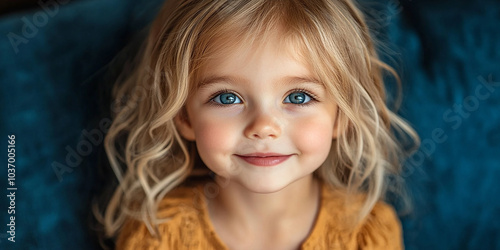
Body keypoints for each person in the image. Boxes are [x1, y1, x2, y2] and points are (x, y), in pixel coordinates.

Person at [97, 0, 419, 249]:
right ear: (183, 116)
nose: (264, 127)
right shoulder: (156, 236)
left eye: (298, 97)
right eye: (226, 98)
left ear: (342, 115)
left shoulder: (368, 234)